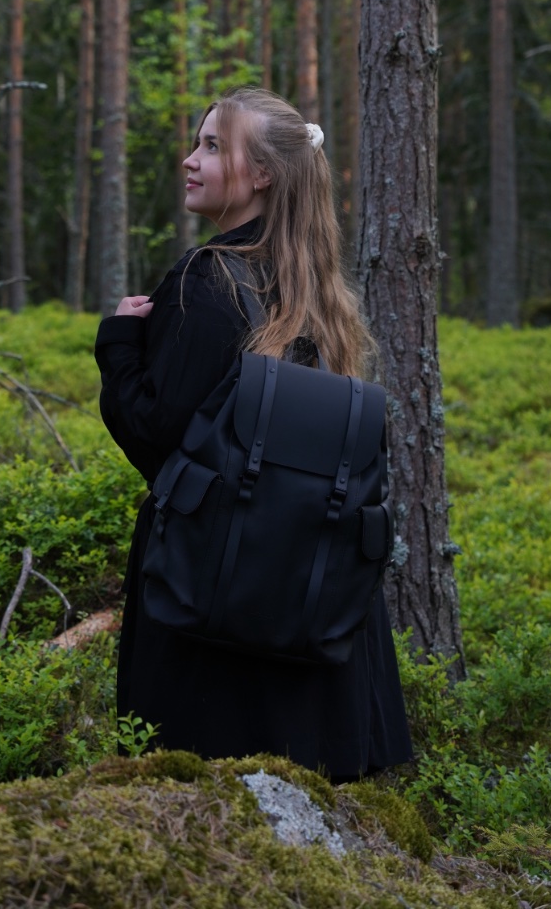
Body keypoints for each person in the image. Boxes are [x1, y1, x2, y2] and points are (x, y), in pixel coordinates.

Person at [95, 86, 413, 780]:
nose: (189, 159)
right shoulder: (314, 295)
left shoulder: (206, 282)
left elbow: (162, 443)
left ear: (262, 174)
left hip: (212, 596)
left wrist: (118, 346)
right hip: (304, 594)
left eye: (211, 146)